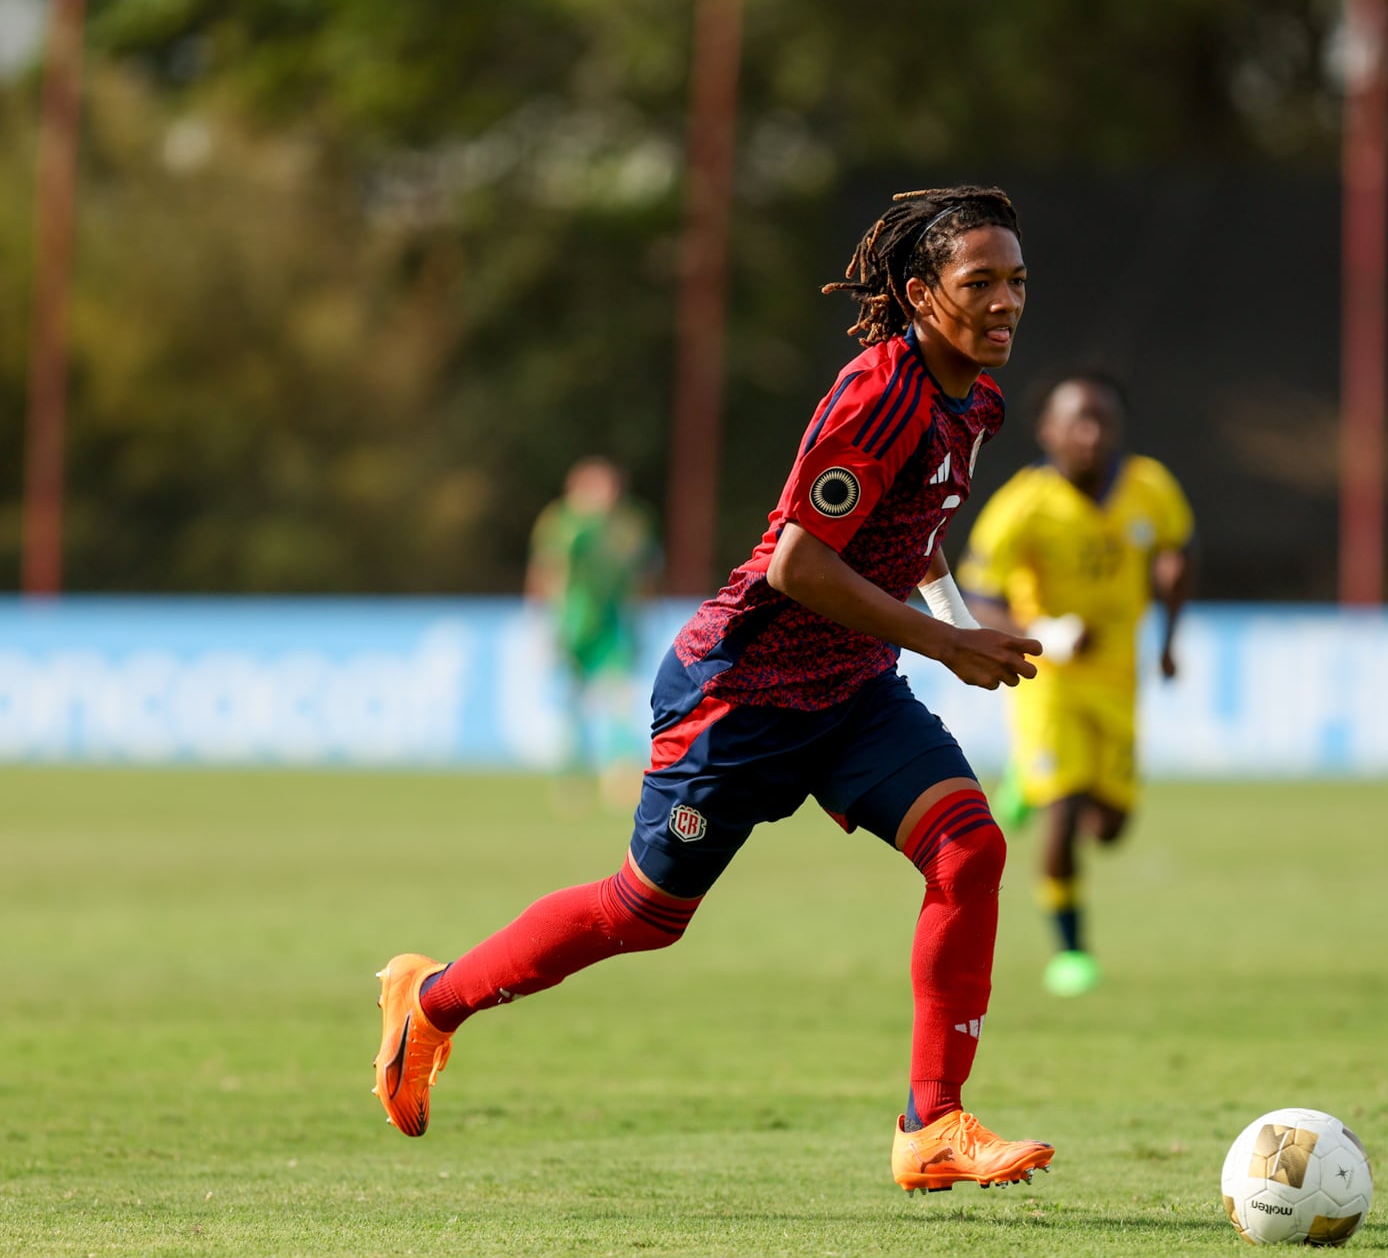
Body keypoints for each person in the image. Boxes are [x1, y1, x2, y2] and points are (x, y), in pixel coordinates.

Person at [373, 186, 1058, 1193]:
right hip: (739, 693)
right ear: (919, 293)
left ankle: (932, 1124)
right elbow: (797, 565)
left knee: (970, 846)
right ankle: (430, 1001)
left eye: (1016, 282)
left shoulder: (975, 399)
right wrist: (945, 648)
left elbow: (912, 531)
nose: (1004, 302)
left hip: (850, 693)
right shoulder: (879, 392)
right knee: (642, 914)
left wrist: (955, 621)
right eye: (979, 283)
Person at [957, 374, 1192, 998]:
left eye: (1102, 422)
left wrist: (1168, 638)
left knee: (1110, 826)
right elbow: (977, 597)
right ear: (1048, 431)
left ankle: (1025, 786)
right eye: (1076, 422)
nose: (1091, 435)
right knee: (1064, 815)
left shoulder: (1150, 487)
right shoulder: (1023, 505)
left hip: (1117, 678)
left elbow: (1176, 553)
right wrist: (1045, 632)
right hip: (1049, 678)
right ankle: (1071, 953)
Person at [526, 457, 659, 804]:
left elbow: (642, 574)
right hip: (573, 622)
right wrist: (541, 622)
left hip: (613, 625)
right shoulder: (563, 523)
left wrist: (641, 615)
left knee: (618, 697)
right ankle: (572, 775)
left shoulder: (630, 524)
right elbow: (549, 571)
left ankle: (620, 771)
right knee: (572, 700)